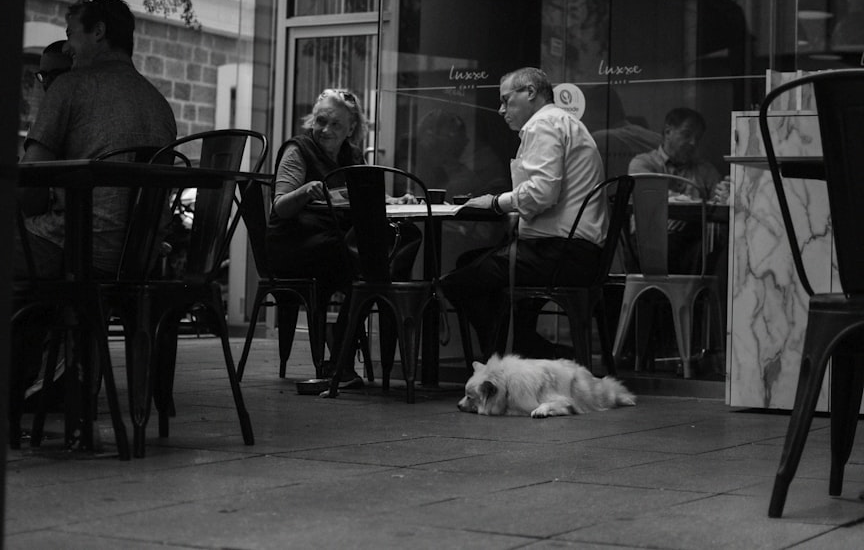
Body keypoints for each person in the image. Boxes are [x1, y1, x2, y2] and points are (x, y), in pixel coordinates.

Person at [441, 67, 607, 360]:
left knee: (457, 282)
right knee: (470, 264)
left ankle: (509, 357)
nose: (501, 109)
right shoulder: (565, 122)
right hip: (580, 252)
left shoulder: (543, 124)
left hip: (559, 253)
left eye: (507, 100)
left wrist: (494, 203)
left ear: (530, 92)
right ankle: (525, 349)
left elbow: (542, 192)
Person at [15, 0, 178, 279]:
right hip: (135, 262)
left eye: (71, 35)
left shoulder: (69, 86)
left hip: (71, 251)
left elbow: (29, 187)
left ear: (99, 32)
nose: (66, 47)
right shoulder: (160, 106)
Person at [266, 88, 415, 388]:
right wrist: (305, 190)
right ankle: (341, 357)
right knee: (363, 264)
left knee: (398, 242)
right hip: (295, 243)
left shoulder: (353, 155)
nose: (325, 130)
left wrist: (395, 201)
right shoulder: (299, 150)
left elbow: (364, 196)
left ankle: (340, 353)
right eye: (321, 121)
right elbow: (279, 206)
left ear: (351, 129)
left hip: (331, 241)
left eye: (335, 125)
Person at [628, 107, 728, 274]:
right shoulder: (643, 163)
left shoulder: (705, 170)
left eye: (698, 138)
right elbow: (652, 199)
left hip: (693, 243)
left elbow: (718, 204)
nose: (693, 143)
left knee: (716, 241)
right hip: (651, 244)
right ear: (668, 131)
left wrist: (726, 195)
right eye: (687, 134)